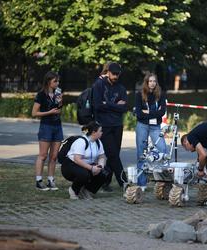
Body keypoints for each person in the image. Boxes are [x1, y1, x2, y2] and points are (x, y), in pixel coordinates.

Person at [92, 62, 128, 191]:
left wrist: (106, 104)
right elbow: (97, 105)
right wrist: (115, 105)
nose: (116, 76)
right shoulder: (99, 84)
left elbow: (124, 108)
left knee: (114, 154)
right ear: (108, 72)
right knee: (112, 154)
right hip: (104, 125)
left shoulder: (121, 88)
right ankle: (124, 182)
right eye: (114, 73)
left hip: (117, 125)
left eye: (118, 74)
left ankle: (105, 182)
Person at [135, 73, 167, 190]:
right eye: (150, 81)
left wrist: (147, 113)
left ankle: (164, 182)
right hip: (142, 125)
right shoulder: (140, 95)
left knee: (163, 150)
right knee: (141, 153)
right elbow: (138, 113)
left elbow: (162, 112)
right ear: (146, 82)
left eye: (154, 81)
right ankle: (141, 183)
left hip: (155, 126)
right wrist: (153, 113)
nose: (152, 83)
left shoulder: (160, 94)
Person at [32, 71, 63, 191]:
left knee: (54, 156)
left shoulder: (58, 94)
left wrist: (60, 102)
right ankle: (39, 181)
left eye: (58, 81)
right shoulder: (41, 95)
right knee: (43, 155)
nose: (57, 83)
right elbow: (34, 113)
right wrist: (49, 113)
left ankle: (51, 180)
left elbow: (59, 111)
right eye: (55, 81)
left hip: (57, 126)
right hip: (46, 126)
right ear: (49, 81)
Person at [61, 121, 107, 199]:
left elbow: (102, 156)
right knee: (84, 174)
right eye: (100, 131)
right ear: (93, 132)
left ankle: (86, 190)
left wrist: (100, 167)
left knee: (104, 173)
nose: (102, 132)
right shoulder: (81, 141)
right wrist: (92, 168)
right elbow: (77, 160)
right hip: (70, 166)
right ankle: (73, 190)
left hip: (85, 165)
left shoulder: (98, 142)